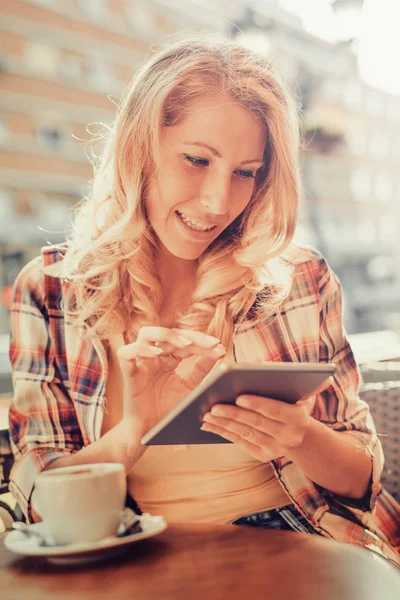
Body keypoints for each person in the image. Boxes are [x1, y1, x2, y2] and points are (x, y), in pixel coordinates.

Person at [8, 34, 400, 566]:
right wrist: (135, 432)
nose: (219, 202)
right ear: (138, 150)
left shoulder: (299, 278)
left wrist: (300, 436)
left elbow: (363, 485)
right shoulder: (49, 290)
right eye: (196, 160)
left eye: (245, 173)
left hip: (299, 539)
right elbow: (38, 501)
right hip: (137, 557)